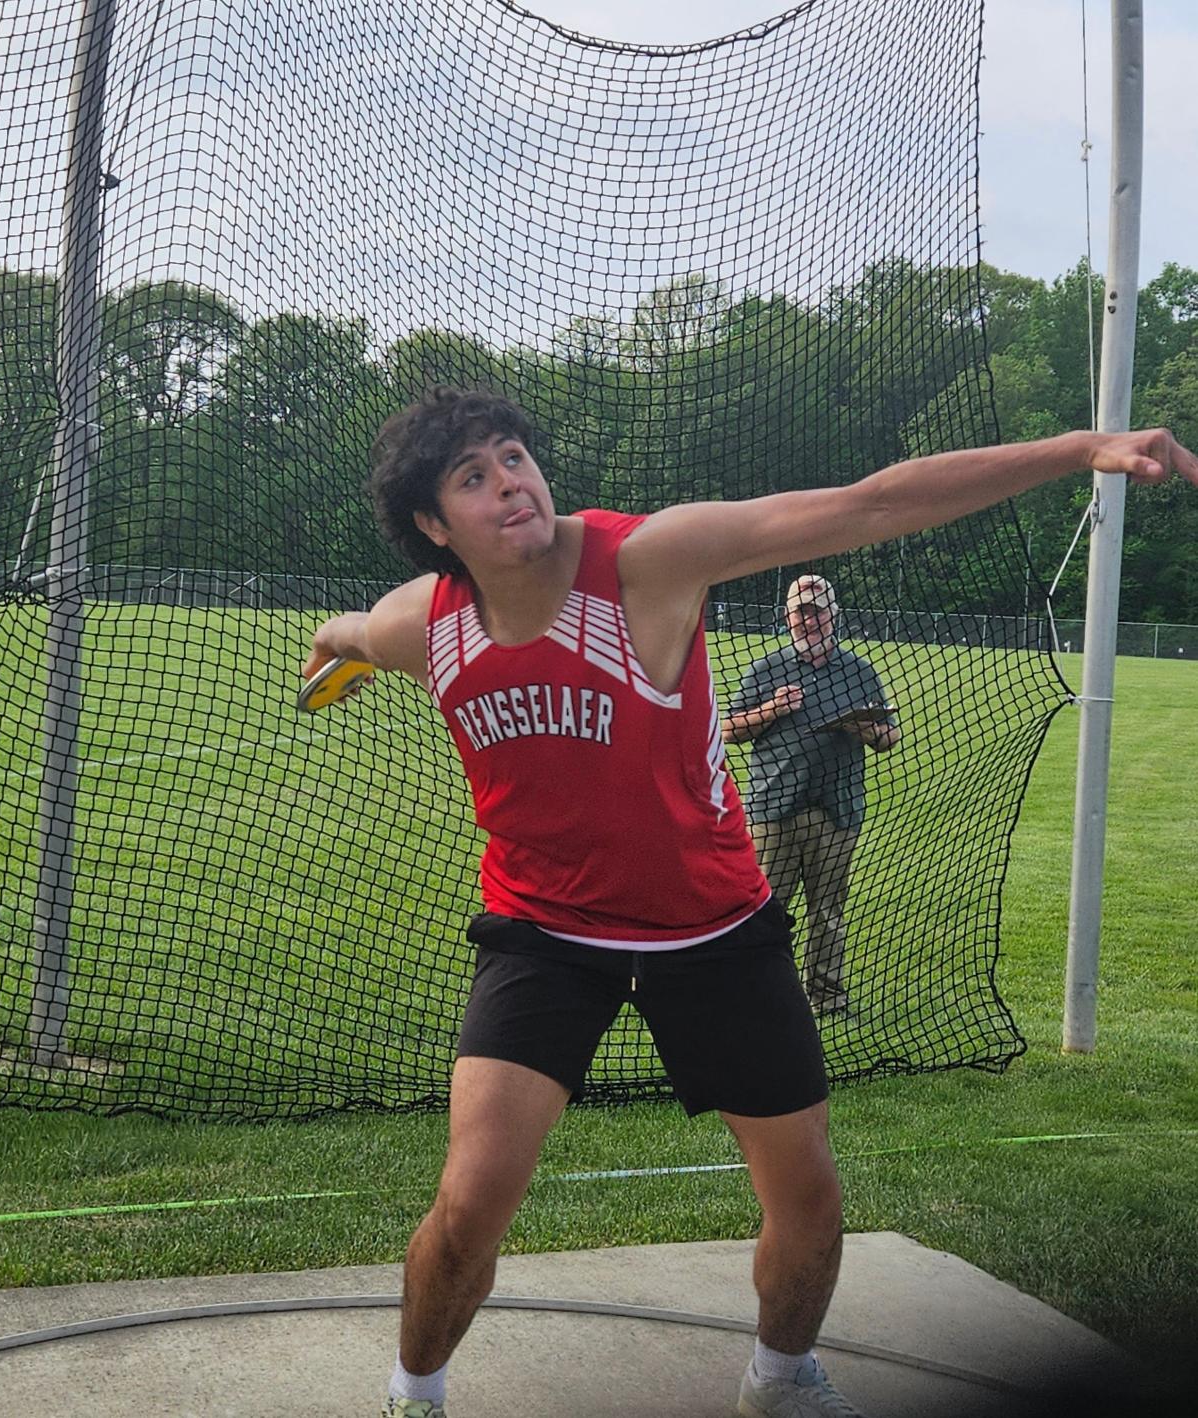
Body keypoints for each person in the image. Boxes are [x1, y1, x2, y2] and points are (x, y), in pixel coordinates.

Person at [303, 386, 1198, 1418]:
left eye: (514, 457)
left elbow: (865, 506)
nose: (510, 481)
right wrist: (341, 651)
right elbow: (361, 629)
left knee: (809, 1197)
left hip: (715, 926)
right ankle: (414, 1394)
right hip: (543, 934)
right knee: (468, 1205)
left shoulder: (648, 562)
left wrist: (1084, 446)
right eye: (473, 476)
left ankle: (780, 1380)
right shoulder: (424, 623)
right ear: (432, 524)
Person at [723, 575, 901, 1016]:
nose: (811, 619)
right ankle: (763, 995)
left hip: (837, 810)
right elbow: (729, 730)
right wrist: (772, 709)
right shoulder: (766, 670)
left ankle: (828, 997)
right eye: (802, 610)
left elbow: (890, 736)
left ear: (834, 615)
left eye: (818, 610)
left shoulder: (858, 671)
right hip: (774, 807)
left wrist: (867, 729)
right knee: (768, 911)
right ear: (787, 617)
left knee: (829, 911)